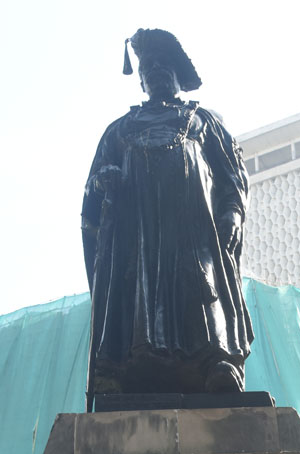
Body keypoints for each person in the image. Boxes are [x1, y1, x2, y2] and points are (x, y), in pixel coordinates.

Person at [81, 28, 253, 399]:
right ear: (141, 81)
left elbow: (232, 176)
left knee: (201, 283)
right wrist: (103, 181)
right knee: (133, 289)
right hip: (136, 233)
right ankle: (115, 367)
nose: (156, 72)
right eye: (149, 68)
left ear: (177, 76)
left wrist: (234, 213)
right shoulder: (120, 130)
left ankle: (217, 361)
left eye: (163, 66)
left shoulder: (203, 121)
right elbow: (92, 190)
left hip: (193, 229)